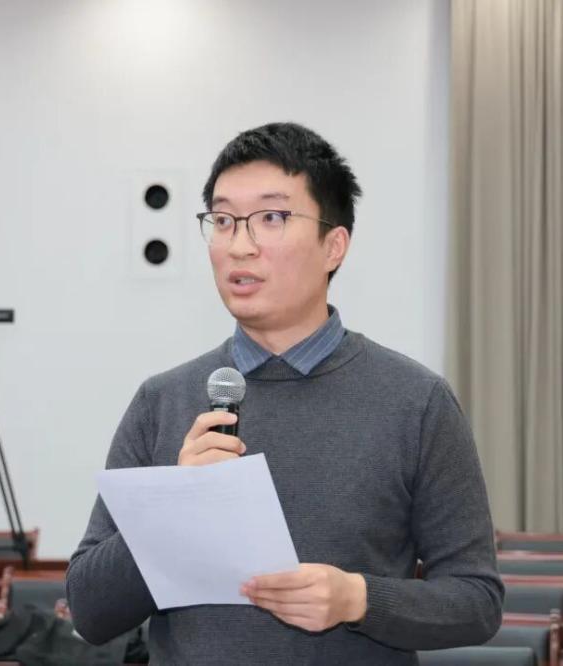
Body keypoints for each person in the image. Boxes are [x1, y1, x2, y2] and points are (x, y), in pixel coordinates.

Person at [67, 122, 503, 664]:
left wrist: (358, 599)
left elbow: (476, 602)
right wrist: (174, 505)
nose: (239, 246)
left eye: (271, 218)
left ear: (333, 246)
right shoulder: (162, 401)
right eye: (223, 221)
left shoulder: (416, 402)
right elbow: (90, 612)